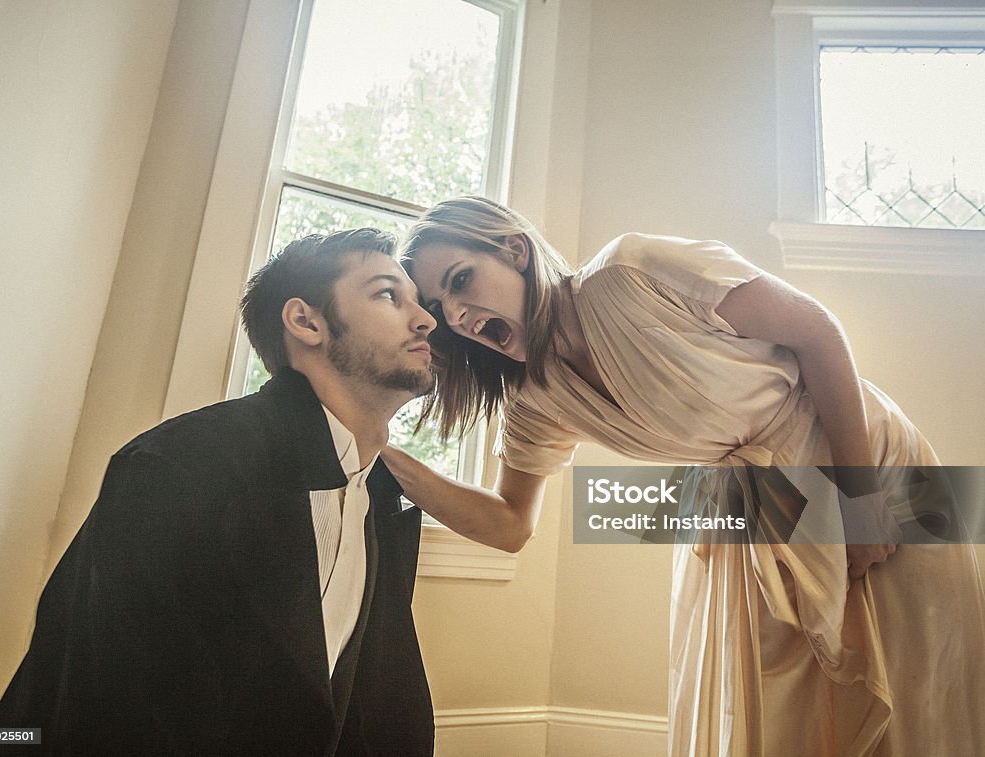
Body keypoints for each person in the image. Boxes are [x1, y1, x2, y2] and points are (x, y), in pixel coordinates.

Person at [383, 196, 985, 756]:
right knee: (787, 727)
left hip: (857, 460)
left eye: (460, 280)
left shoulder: (630, 270)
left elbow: (817, 331)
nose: (456, 315)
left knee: (916, 692)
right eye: (438, 306)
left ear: (514, 249)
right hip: (752, 513)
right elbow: (511, 524)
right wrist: (387, 454)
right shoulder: (535, 400)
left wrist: (861, 500)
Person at [0, 229, 437, 756]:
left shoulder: (379, 495)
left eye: (418, 302)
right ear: (307, 321)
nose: (425, 319)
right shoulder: (178, 465)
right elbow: (99, 702)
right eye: (387, 295)